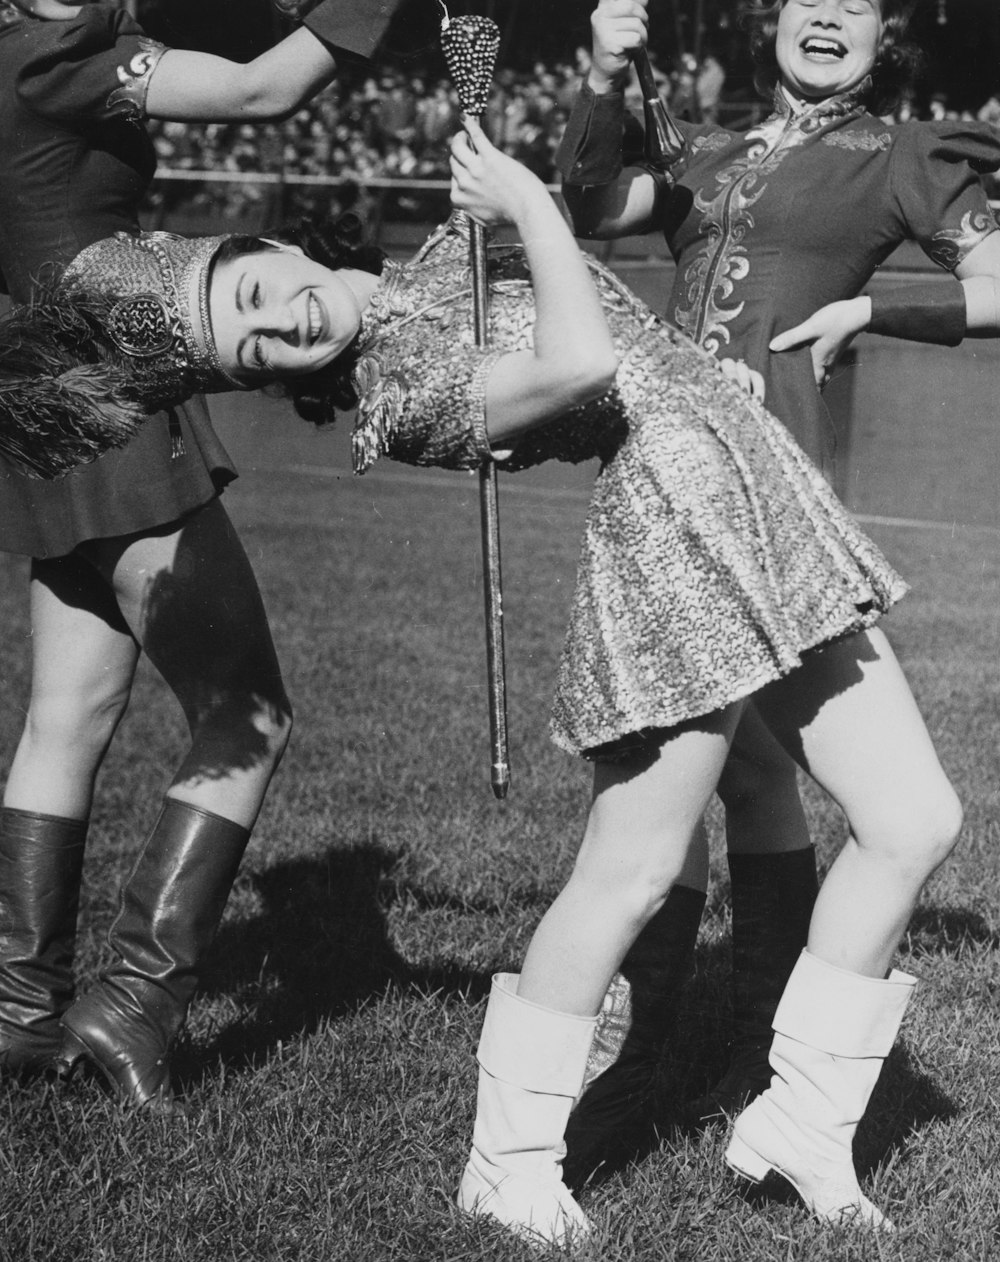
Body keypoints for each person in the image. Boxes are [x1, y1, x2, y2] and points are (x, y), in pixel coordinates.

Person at [13, 109, 971, 1239]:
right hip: (677, 536)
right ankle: (506, 1160)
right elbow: (580, 357)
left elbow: (586, 243)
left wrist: (535, 172)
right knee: (633, 863)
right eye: (252, 347)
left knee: (913, 819)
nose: (281, 323)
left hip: (759, 497)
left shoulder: (448, 253)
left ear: (279, 249)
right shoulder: (399, 398)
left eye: (255, 292)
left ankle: (801, 1124)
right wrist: (520, 204)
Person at [553, 0, 1000, 1146]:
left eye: (857, 7)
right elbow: (594, 208)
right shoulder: (700, 150)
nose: (831, 18)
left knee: (708, 805)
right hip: (665, 493)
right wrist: (604, 76)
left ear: (881, 39)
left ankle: (685, 1068)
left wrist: (876, 304)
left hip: (777, 509)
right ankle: (678, 1062)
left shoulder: (904, 156)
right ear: (775, 22)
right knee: (722, 785)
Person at [0, 0, 404, 1109]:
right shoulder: (55, 52)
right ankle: (133, 996)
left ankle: (20, 1013)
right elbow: (259, 89)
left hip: (47, 394)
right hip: (113, 396)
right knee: (248, 715)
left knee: (66, 716)